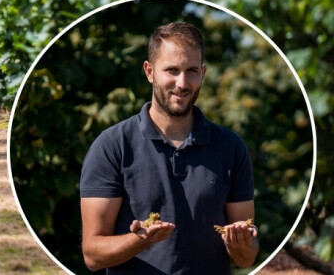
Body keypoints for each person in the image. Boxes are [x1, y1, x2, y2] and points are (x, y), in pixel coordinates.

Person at [79, 21, 259, 273]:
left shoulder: (231, 147)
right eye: (172, 70)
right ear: (149, 71)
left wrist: (239, 243)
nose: (183, 83)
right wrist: (139, 240)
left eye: (192, 71)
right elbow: (93, 255)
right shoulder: (112, 145)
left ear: (203, 74)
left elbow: (246, 259)